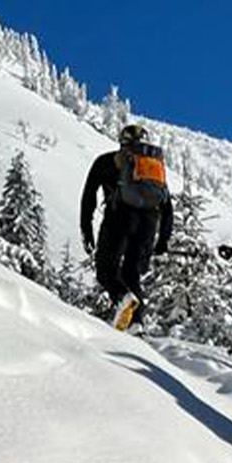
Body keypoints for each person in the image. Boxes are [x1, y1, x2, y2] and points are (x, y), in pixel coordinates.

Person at [80, 122, 174, 329]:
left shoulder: (108, 161)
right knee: (132, 274)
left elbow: (89, 196)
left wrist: (86, 229)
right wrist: (163, 240)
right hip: (149, 224)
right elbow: (167, 207)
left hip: (119, 218)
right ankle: (136, 324)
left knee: (106, 270)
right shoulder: (152, 168)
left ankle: (123, 298)